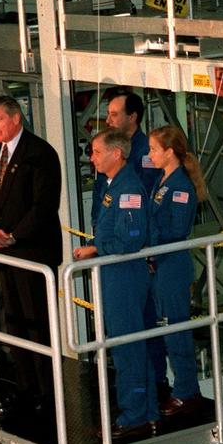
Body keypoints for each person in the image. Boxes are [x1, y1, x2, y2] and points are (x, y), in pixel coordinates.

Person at [0, 94, 63, 416]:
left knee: (37, 322)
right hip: (4, 253)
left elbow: (44, 206)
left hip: (33, 251)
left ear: (16, 118)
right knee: (14, 321)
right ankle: (26, 386)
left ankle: (48, 390)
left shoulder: (40, 153)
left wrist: (14, 235)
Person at [73, 129, 156, 439]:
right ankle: (146, 410)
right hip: (114, 273)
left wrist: (96, 248)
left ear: (116, 154)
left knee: (126, 347)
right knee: (129, 344)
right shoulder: (113, 186)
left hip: (124, 275)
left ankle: (134, 415)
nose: (91, 158)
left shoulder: (128, 189)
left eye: (96, 152)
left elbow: (129, 240)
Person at [90, 87, 168, 399]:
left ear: (132, 117)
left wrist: (99, 247)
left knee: (134, 335)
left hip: (130, 262)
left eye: (114, 114)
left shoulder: (141, 160)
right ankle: (140, 397)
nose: (108, 119)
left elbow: (136, 222)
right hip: (116, 259)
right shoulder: (112, 171)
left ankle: (146, 396)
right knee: (126, 337)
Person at [145, 126, 208, 417]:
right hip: (160, 264)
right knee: (165, 327)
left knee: (176, 329)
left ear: (169, 152)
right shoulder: (162, 180)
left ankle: (187, 390)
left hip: (172, 264)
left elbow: (177, 228)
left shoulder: (180, 186)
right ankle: (177, 386)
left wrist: (151, 242)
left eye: (154, 149)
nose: (150, 155)